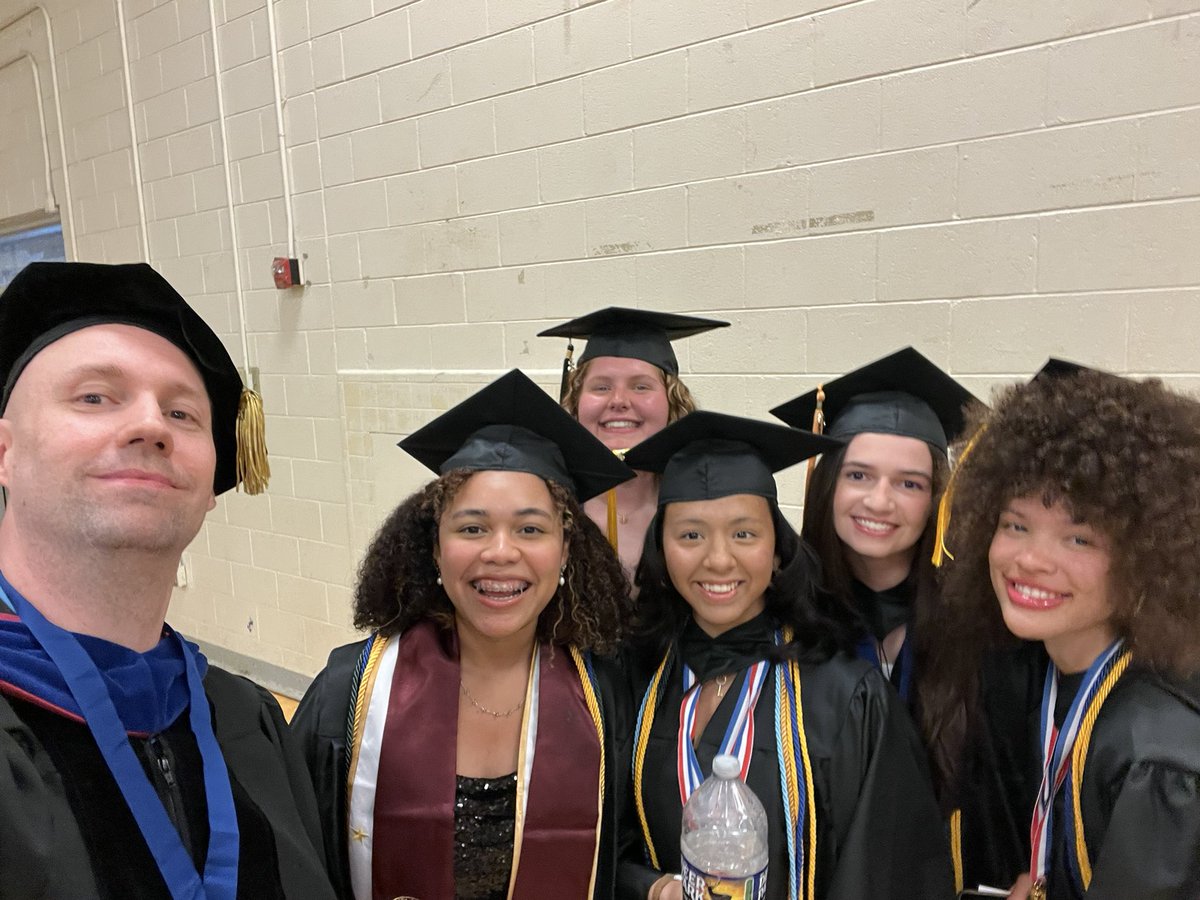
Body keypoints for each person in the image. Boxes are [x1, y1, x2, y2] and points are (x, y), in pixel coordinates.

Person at [0, 261, 334, 898]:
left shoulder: (245, 719)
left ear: (211, 486)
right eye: (95, 396)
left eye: (183, 413)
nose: (152, 426)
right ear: (4, 454)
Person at [291, 369, 637, 900]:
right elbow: (298, 865)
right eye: (472, 527)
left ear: (566, 551)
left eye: (531, 528)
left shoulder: (602, 697)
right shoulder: (351, 692)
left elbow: (619, 860)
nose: (500, 552)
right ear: (435, 549)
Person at [618, 411, 955, 900]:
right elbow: (601, 844)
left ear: (778, 548)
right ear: (661, 551)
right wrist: (651, 888)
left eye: (744, 534)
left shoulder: (845, 695)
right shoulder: (635, 677)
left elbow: (890, 872)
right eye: (690, 534)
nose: (718, 559)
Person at [922, 362, 1200, 899]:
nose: (1030, 560)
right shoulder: (1052, 668)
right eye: (1015, 525)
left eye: (1079, 540)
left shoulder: (1157, 755)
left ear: (1149, 556)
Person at [771, 346, 976, 708]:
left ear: (936, 499)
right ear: (829, 484)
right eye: (859, 475)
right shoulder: (785, 613)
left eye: (909, 483)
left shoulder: (971, 623)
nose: (880, 501)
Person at [539, 307, 728, 575]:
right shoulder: (549, 505)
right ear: (576, 403)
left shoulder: (705, 502)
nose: (618, 401)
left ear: (672, 401)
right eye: (601, 387)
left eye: (640, 386)